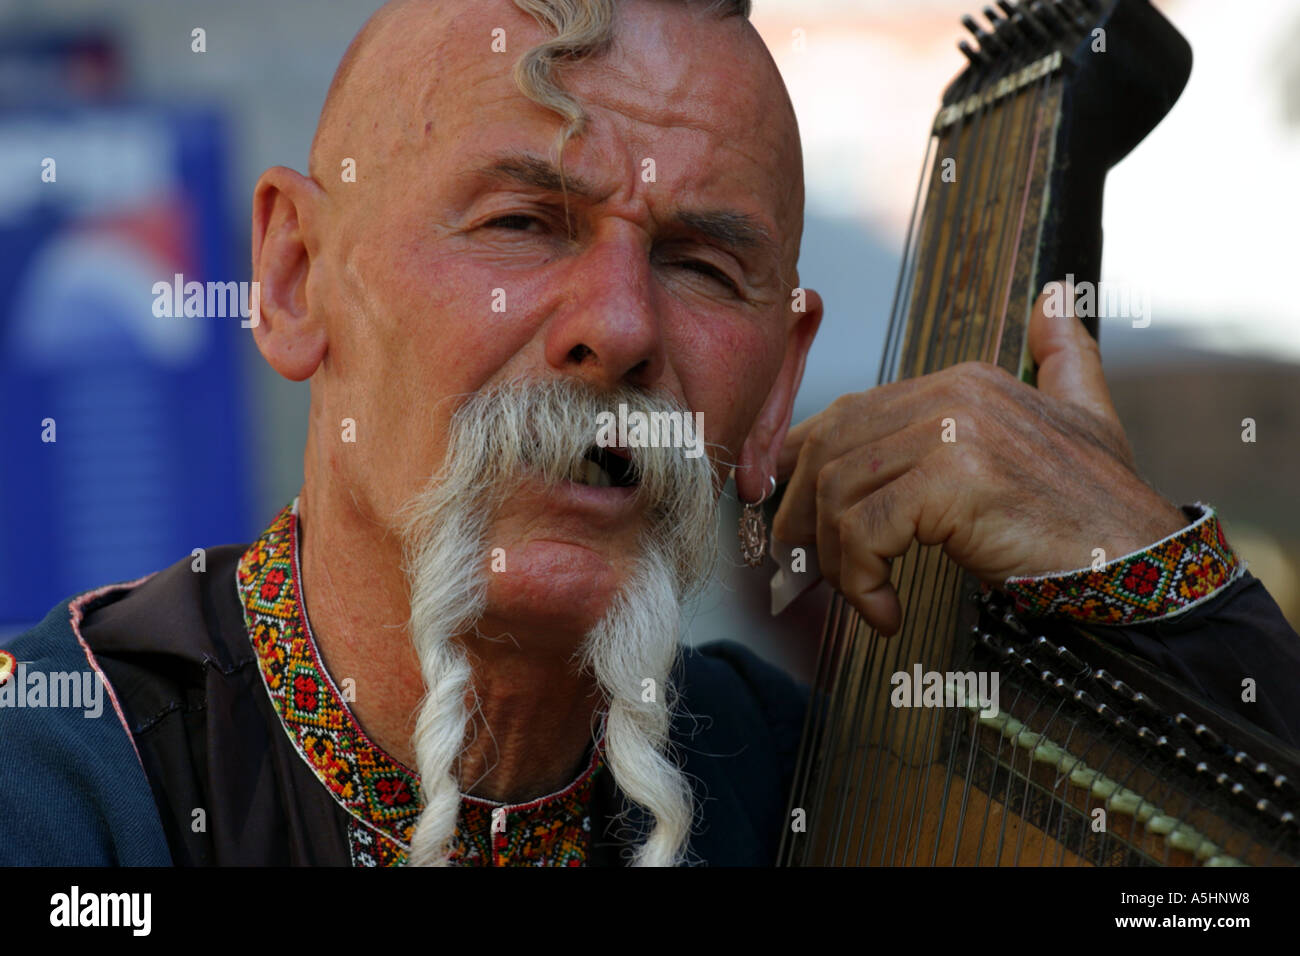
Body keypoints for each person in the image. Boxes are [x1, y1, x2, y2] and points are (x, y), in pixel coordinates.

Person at [2, 0, 1296, 867]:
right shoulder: (67, 785)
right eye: (522, 223)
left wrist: (1160, 591)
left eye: (698, 265)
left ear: (776, 388)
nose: (615, 328)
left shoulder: (809, 791)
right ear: (291, 281)